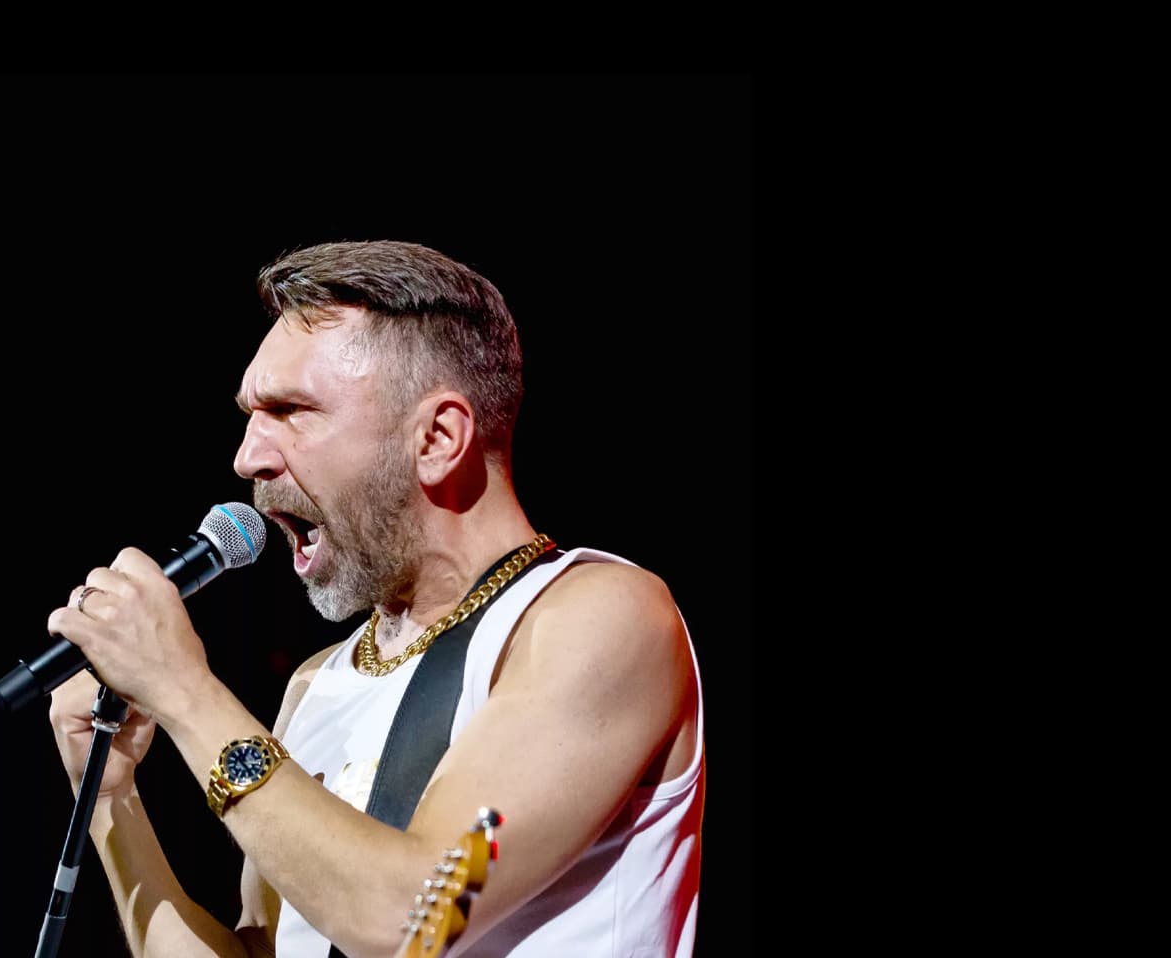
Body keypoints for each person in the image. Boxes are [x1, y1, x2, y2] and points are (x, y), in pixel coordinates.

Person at [46, 240, 704, 957]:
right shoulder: (317, 684)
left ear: (438, 438)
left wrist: (182, 689)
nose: (247, 457)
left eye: (291, 410)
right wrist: (108, 801)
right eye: (251, 415)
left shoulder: (600, 618)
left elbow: (414, 918)